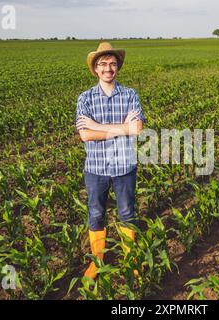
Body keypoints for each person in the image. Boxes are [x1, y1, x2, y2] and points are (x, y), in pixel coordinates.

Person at [75, 42, 146, 279]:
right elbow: (85, 135)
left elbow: (137, 129)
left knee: (127, 212)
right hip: (96, 169)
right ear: (95, 68)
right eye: (103, 64)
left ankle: (131, 259)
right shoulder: (85, 98)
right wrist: (122, 127)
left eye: (113, 63)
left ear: (118, 67)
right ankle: (97, 261)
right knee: (96, 213)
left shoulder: (130, 94)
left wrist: (99, 127)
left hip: (124, 166)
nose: (108, 68)